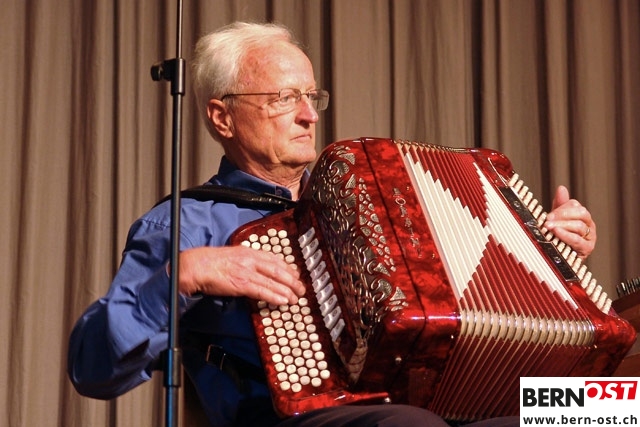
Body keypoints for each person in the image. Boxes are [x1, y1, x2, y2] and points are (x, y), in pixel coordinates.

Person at [67, 21, 598, 427]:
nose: (309, 115)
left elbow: (476, 289)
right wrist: (181, 275)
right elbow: (91, 368)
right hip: (303, 417)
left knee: (605, 408)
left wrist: (541, 250)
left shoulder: (372, 201)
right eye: (283, 98)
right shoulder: (187, 223)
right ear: (221, 116)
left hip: (456, 399)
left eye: (311, 96)